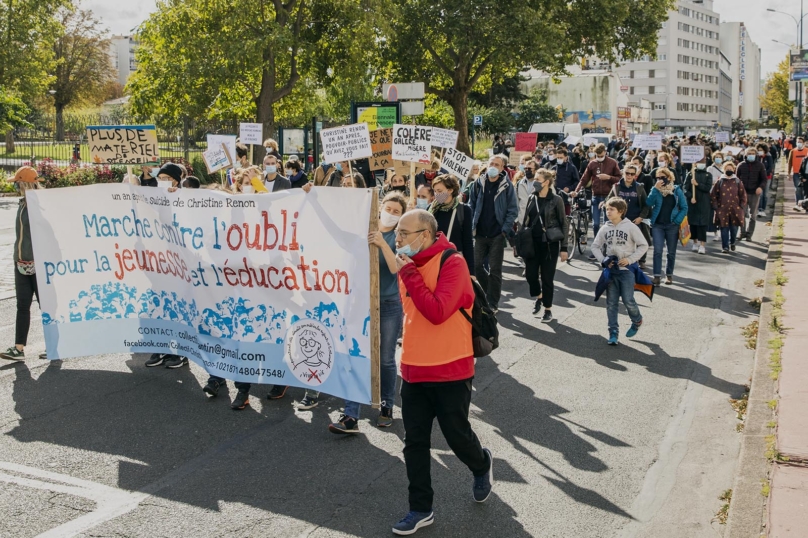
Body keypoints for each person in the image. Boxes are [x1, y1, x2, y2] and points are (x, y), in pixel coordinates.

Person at [391, 209, 493, 536]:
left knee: (457, 435)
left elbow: (436, 311)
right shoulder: (406, 262)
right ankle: (420, 508)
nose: (398, 238)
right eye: (397, 232)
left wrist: (409, 274)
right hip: (413, 368)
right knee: (415, 442)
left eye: (405, 233)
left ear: (425, 235)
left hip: (451, 369)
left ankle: (481, 464)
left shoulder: (453, 263)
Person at [323, 192, 407, 431]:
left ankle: (386, 406)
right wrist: (315, 200)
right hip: (360, 302)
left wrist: (382, 243)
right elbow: (335, 233)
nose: (390, 214)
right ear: (379, 208)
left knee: (385, 359)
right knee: (357, 354)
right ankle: (351, 416)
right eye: (387, 208)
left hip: (389, 304)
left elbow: (395, 269)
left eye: (396, 211)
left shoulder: (400, 238)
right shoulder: (363, 229)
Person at [1, 167, 47, 361]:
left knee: (46, 306)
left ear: (25, 183)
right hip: (21, 263)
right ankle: (19, 348)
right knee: (22, 305)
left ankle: (56, 345)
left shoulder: (41, 206)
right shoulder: (22, 204)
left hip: (39, 264)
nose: (16, 185)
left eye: (17, 182)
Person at [591, 198, 648, 346]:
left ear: (621, 211)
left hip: (627, 271)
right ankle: (613, 332)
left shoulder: (631, 227)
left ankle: (637, 320)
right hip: (611, 271)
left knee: (628, 300)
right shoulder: (605, 228)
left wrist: (630, 259)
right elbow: (595, 246)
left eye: (611, 209)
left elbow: (643, 245)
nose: (608, 212)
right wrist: (603, 260)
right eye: (607, 209)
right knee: (611, 303)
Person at [468, 154, 519, 313]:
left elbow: (513, 210)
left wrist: (504, 230)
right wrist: (472, 225)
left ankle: (493, 302)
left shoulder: (507, 186)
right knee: (476, 265)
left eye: (497, 164)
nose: (493, 166)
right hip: (480, 234)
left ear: (502, 168)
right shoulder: (478, 183)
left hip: (497, 234)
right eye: (491, 163)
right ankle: (487, 292)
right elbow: (472, 205)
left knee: (495, 269)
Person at [522, 169, 569, 322]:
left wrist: (564, 248)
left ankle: (547, 309)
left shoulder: (556, 200)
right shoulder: (531, 198)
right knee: (530, 275)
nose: (534, 181)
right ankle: (539, 297)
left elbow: (564, 223)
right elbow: (526, 221)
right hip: (532, 244)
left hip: (550, 245)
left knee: (547, 278)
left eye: (537, 179)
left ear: (546, 182)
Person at [574, 143, 621, 255]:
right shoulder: (592, 163)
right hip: (595, 196)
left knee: (606, 222)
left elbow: (619, 178)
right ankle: (597, 247)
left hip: (608, 197)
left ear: (605, 152)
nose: (599, 157)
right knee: (595, 224)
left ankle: (606, 248)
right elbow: (584, 179)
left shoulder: (612, 163)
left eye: (601, 155)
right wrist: (576, 191)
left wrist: (609, 177)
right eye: (597, 155)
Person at [646, 167, 688, 286]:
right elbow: (648, 203)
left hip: (672, 226)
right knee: (657, 251)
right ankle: (657, 276)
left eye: (662, 177)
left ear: (669, 178)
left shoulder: (677, 190)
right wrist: (655, 189)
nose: (660, 180)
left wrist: (677, 221)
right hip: (657, 225)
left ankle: (669, 275)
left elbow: (684, 207)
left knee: (671, 252)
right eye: (657, 177)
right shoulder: (655, 190)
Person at [606, 164, 650, 268]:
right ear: (623, 173)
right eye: (627, 173)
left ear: (635, 175)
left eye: (632, 174)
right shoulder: (616, 187)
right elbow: (609, 201)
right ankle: (615, 259)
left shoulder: (639, 187)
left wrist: (641, 217)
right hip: (620, 220)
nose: (629, 176)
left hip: (635, 219)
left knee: (639, 241)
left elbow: (646, 204)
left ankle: (641, 260)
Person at [430, 175, 474, 275]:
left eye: (440, 191)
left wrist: (471, 272)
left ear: (450, 190)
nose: (436, 194)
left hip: (453, 260)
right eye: (435, 191)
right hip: (433, 260)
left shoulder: (464, 210)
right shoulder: (431, 209)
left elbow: (467, 242)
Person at [710, 161, 747, 254]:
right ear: (724, 170)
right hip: (722, 209)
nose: (729, 170)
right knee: (724, 228)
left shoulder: (738, 181)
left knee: (734, 228)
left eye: (731, 169)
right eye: (727, 169)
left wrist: (741, 205)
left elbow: (743, 195)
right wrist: (715, 206)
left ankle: (732, 242)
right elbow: (713, 195)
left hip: (735, 209)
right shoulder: (720, 181)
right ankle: (725, 246)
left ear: (734, 170)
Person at [736, 147, 766, 242]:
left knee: (753, 215)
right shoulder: (741, 165)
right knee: (742, 214)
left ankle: (749, 234)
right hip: (743, 193)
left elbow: (764, 179)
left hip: (754, 193)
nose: (751, 155)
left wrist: (760, 187)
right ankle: (742, 232)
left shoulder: (760, 165)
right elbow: (736, 179)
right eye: (749, 153)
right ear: (745, 154)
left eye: (753, 153)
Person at [684, 156, 713, 254]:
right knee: (693, 224)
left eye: (703, 162)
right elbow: (685, 188)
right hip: (693, 203)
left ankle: (702, 245)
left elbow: (707, 188)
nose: (701, 164)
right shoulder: (690, 174)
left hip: (704, 203)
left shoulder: (708, 175)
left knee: (702, 225)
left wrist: (697, 184)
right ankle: (695, 242)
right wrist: (690, 196)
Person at [789, 137, 808, 206]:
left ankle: (804, 204)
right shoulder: (793, 151)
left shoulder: (807, 150)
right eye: (798, 142)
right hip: (796, 173)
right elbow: (790, 162)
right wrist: (789, 173)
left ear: (803, 143)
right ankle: (798, 204)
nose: (799, 143)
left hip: (805, 174)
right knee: (798, 189)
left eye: (800, 142)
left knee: (805, 190)